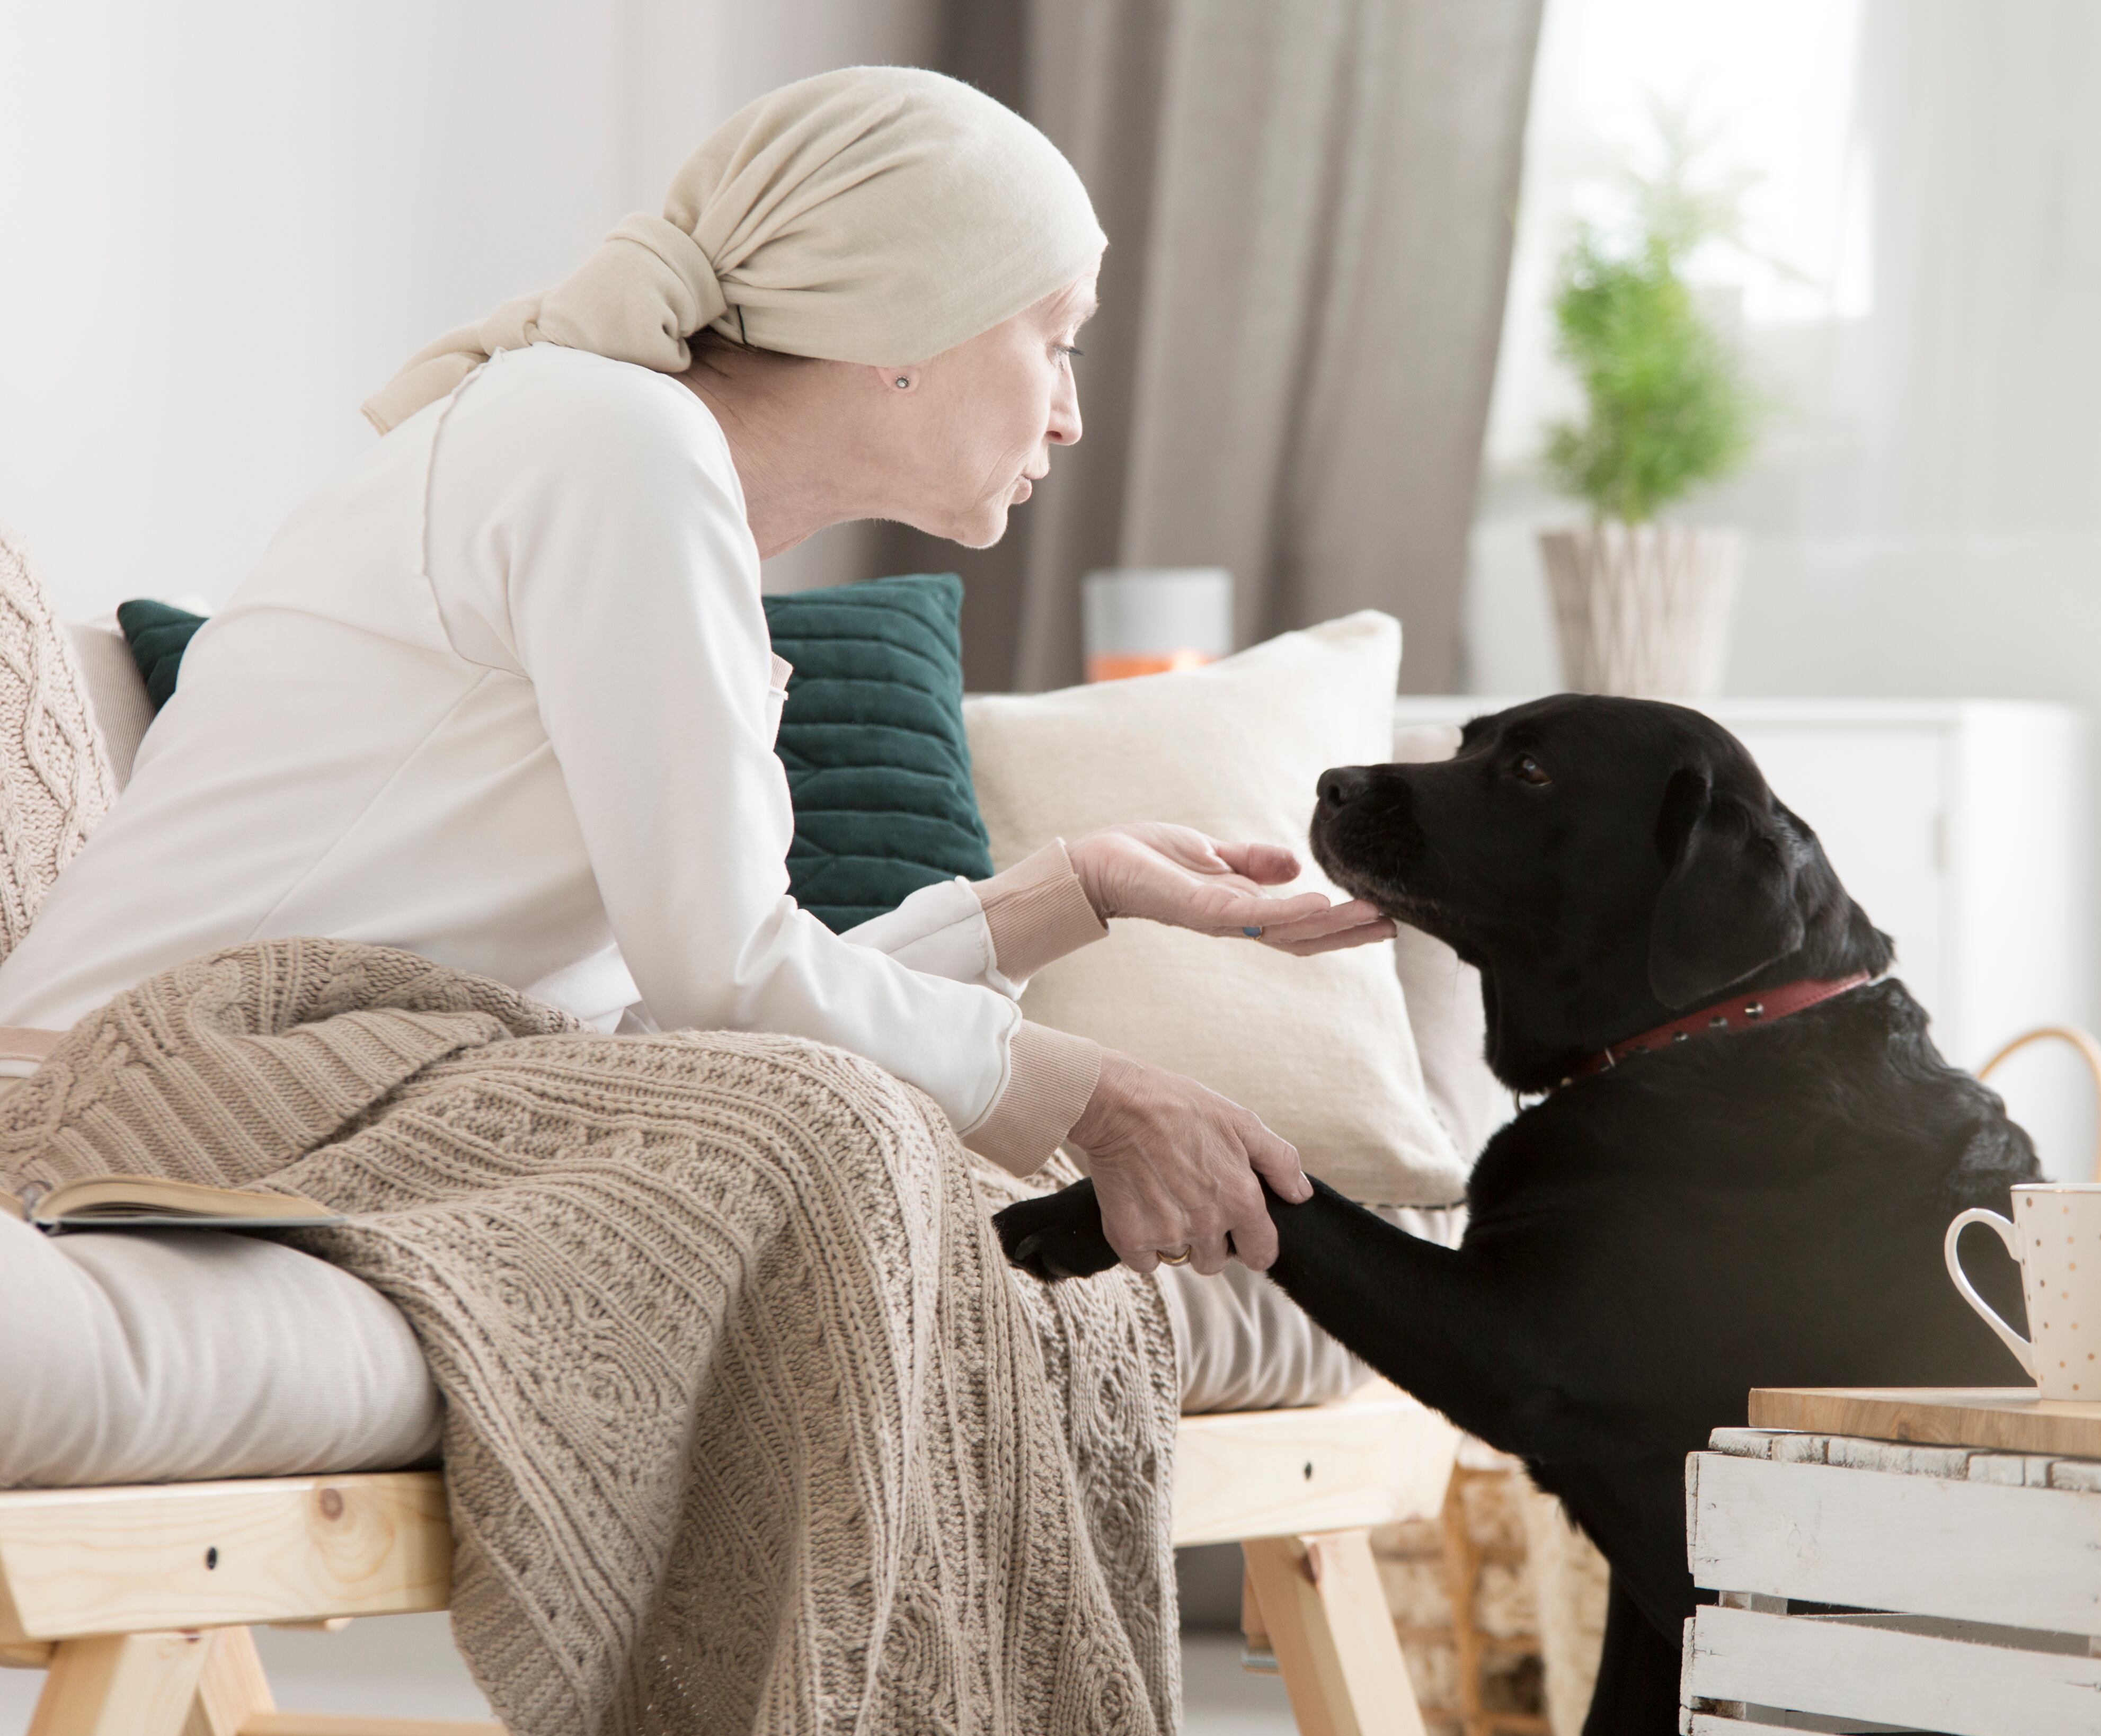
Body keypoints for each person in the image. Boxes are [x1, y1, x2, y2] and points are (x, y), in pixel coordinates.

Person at [0, 66, 1389, 1282]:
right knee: (829, 1154)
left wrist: (1065, 892)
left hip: (276, 1075)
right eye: (1056, 339)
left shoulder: (629, 458)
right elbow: (724, 982)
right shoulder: (610, 442)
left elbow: (681, 1000)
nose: (1073, 412)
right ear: (912, 323)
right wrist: (1102, 1097)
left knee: (819, 1141)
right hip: (137, 1095)